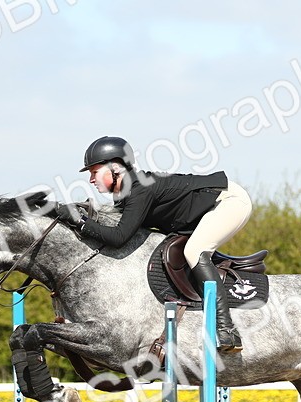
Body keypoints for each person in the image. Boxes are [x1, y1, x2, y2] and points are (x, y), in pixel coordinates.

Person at [66, 135, 252, 353]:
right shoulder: (125, 194)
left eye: (94, 172)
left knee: (194, 251)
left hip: (229, 201)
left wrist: (79, 222)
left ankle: (227, 329)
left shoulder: (139, 189)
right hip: (205, 209)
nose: (90, 179)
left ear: (115, 168)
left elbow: (118, 237)